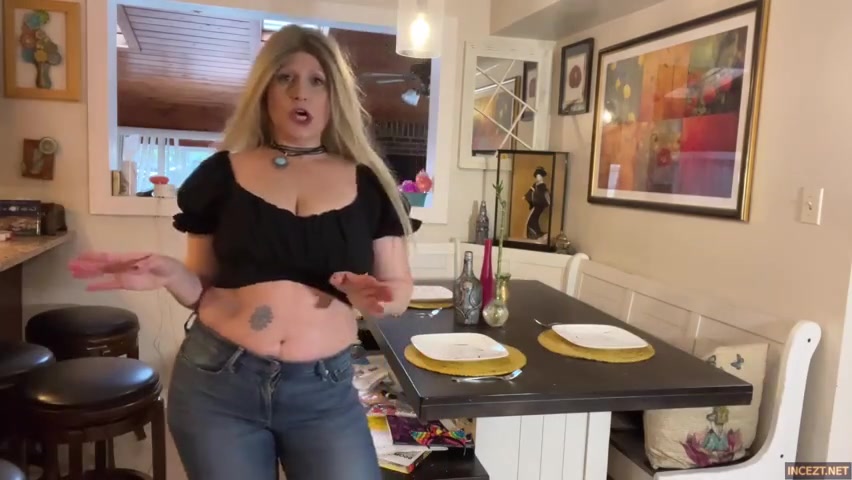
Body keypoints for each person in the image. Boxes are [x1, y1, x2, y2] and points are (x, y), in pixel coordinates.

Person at [67, 25, 416, 480]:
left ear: (335, 97)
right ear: (264, 90)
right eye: (285, 78)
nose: (300, 93)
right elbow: (200, 289)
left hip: (324, 395)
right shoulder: (220, 175)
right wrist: (170, 273)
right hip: (218, 385)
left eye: (317, 81)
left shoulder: (370, 185)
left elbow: (399, 288)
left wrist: (379, 299)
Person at [523, 166, 550, 240]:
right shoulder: (535, 185)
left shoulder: (543, 186)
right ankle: (534, 234)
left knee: (533, 219)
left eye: (539, 176)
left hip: (539, 205)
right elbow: (530, 192)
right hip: (535, 205)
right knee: (531, 220)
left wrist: (534, 194)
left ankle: (536, 234)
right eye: (537, 176)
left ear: (542, 177)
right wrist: (526, 196)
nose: (538, 177)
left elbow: (542, 195)